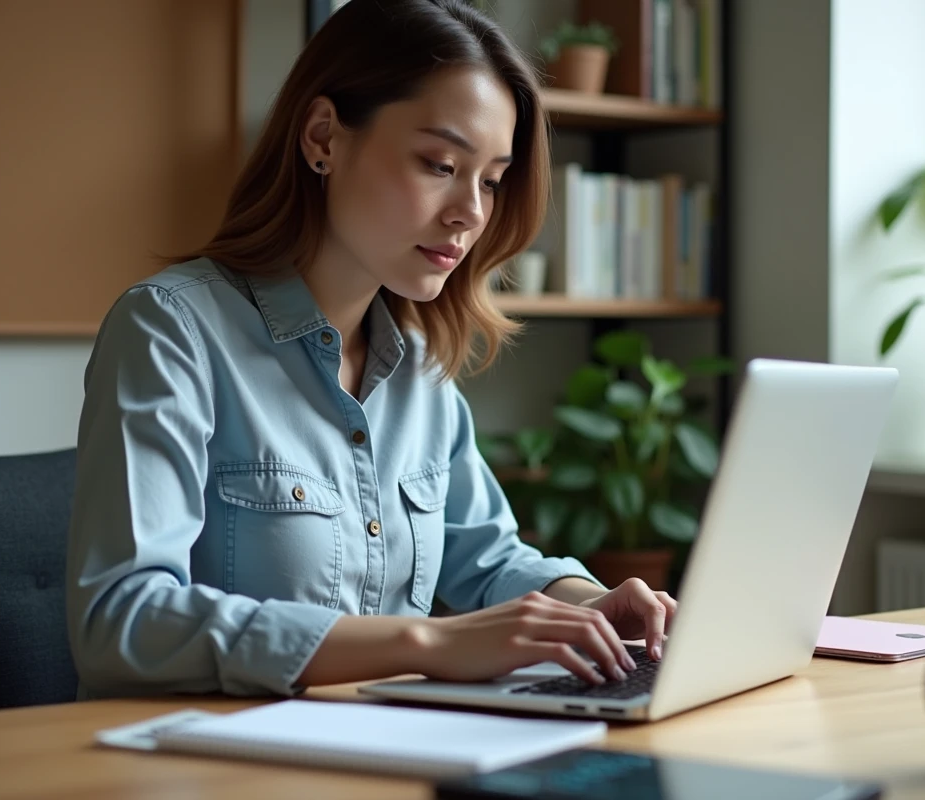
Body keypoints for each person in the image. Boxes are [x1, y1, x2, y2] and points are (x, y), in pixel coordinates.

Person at [65, 0, 676, 701]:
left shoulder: (418, 363)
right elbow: (122, 619)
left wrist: (586, 601)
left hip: (373, 748)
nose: (471, 213)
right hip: (205, 761)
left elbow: (486, 557)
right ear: (323, 137)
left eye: (491, 180)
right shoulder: (171, 330)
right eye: (440, 163)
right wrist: (428, 642)